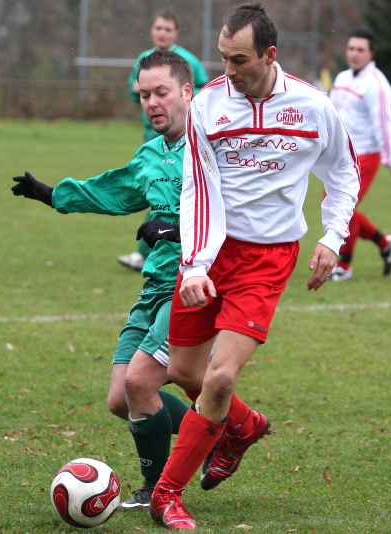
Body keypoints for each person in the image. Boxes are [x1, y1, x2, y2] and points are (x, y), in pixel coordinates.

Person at [146, 4, 360, 530]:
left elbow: (344, 173)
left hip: (268, 258)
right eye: (223, 58)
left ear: (269, 55)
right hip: (212, 254)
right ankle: (243, 428)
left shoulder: (313, 106)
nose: (229, 70)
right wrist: (196, 265)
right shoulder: (207, 105)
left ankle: (167, 495)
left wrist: (332, 238)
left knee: (220, 377)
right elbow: (197, 187)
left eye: (239, 60)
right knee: (185, 373)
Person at [11, 51, 194, 511]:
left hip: (192, 284)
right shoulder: (152, 154)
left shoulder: (211, 149)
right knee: (119, 399)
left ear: (187, 91)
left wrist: (177, 230)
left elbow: (236, 213)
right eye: (144, 95)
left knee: (139, 385)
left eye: (161, 92)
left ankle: (157, 489)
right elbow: (114, 189)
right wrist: (54, 195)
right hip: (154, 285)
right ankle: (213, 431)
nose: (151, 103)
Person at [118, 9, 210, 273]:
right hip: (152, 134)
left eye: (167, 29)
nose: (162, 33)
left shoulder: (187, 60)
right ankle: (166, 250)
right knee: (158, 192)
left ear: (176, 33)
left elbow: (203, 89)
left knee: (165, 194)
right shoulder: (144, 59)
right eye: (158, 28)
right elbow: (134, 91)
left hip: (180, 133)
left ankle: (150, 252)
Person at [328, 27, 391, 281]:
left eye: (360, 49)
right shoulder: (342, 78)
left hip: (364, 156)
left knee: (343, 208)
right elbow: (331, 116)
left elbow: (384, 124)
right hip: (340, 155)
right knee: (335, 208)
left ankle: (343, 266)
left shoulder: (377, 85)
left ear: (371, 54)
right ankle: (385, 244)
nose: (354, 53)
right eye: (351, 48)